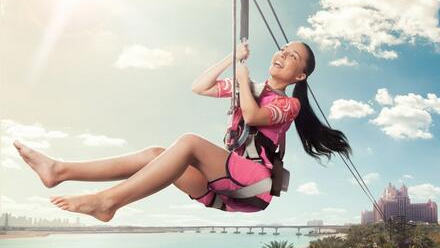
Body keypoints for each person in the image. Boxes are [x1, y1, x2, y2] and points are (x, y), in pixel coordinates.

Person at [13, 41, 351, 221]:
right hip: (224, 184)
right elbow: (198, 86)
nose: (283, 54)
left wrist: (242, 80)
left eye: (293, 57)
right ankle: (59, 171)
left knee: (189, 142)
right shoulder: (247, 85)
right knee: (155, 155)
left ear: (299, 76)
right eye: (284, 49)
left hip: (254, 184)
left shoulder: (288, 104)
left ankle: (107, 202)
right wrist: (231, 59)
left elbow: (253, 114)